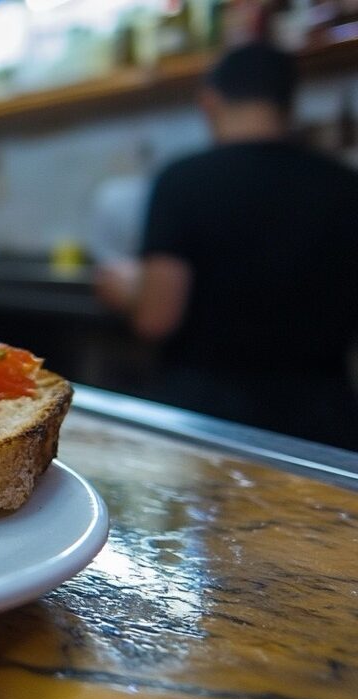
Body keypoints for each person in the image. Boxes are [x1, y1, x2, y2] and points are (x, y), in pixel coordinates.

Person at [96, 43, 358, 449]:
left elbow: (156, 319)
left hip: (208, 423)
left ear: (210, 101)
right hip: (325, 424)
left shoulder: (183, 182)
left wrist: (125, 288)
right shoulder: (345, 185)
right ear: (288, 106)